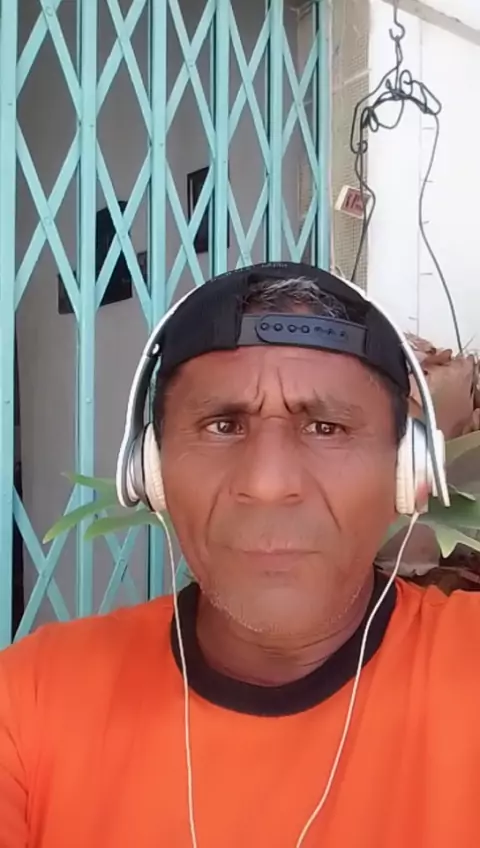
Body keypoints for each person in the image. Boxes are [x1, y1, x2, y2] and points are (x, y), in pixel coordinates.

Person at [0, 262, 478, 848]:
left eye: (326, 428)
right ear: (151, 473)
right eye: (222, 425)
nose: (267, 484)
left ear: (409, 473)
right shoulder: (30, 700)